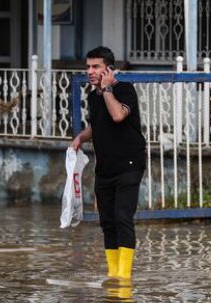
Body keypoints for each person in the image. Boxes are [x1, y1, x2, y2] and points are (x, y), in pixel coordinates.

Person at [71, 46, 146, 282]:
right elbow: (101, 124)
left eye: (96, 67)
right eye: (88, 66)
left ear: (109, 70)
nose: (90, 71)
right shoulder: (93, 96)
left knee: (123, 217)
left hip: (129, 164)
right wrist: (82, 137)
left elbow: (117, 115)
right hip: (105, 168)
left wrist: (107, 89)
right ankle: (113, 274)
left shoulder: (124, 90)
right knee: (107, 221)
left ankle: (124, 278)